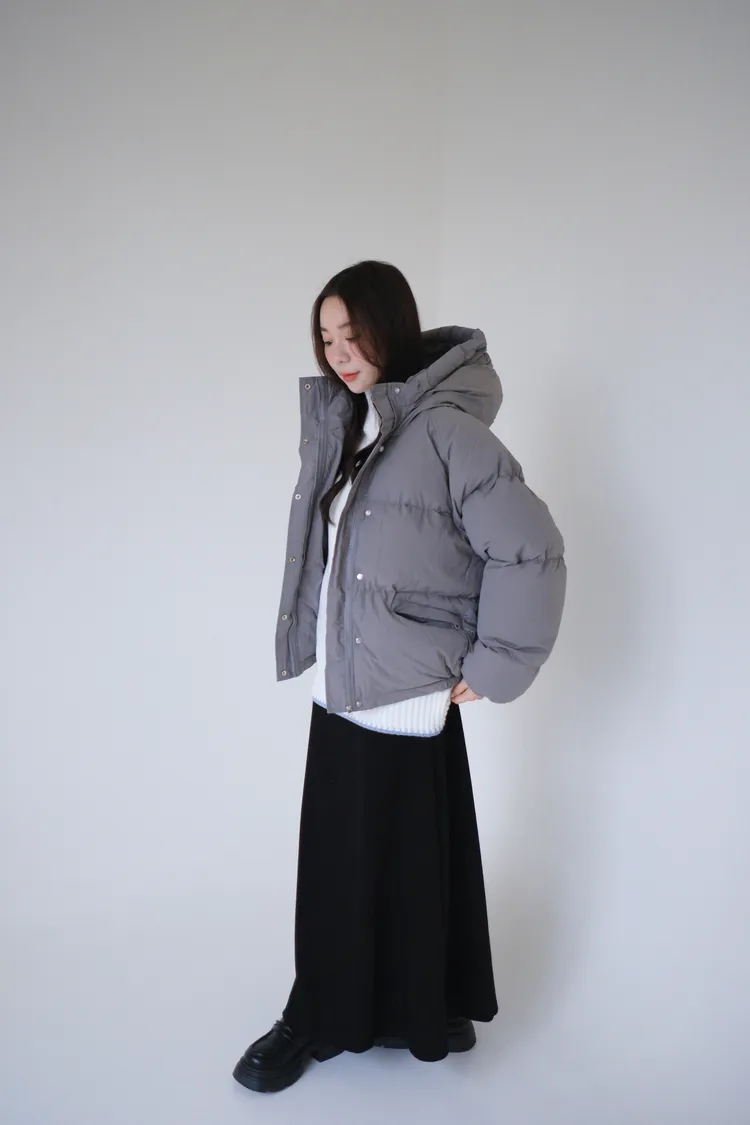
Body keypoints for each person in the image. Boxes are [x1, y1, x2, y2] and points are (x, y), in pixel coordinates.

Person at [232, 259, 567, 1094]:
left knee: (383, 867)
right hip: (345, 686)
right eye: (326, 338)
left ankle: (319, 1016)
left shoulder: (448, 433)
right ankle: (417, 1004)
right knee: (373, 864)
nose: (339, 353)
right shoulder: (357, 431)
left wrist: (498, 662)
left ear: (392, 325)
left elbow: (531, 548)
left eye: (353, 333)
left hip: (406, 693)